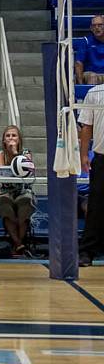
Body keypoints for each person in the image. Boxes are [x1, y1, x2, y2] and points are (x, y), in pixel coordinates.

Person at [0, 126, 36, 257]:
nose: (11, 138)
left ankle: (19, 243)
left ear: (19, 139)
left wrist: (16, 154)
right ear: (3, 140)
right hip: (4, 190)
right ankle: (18, 244)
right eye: (8, 136)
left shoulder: (26, 152)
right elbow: (1, 175)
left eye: (14, 135)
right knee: (6, 206)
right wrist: (10, 154)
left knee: (24, 206)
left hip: (23, 190)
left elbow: (26, 173)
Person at [79, 82, 104, 266]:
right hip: (102, 158)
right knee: (96, 205)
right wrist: (83, 154)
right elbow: (86, 126)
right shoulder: (95, 92)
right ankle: (87, 251)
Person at [76, 15, 104, 85]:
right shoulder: (86, 41)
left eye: (100, 25)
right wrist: (81, 85)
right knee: (92, 77)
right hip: (91, 73)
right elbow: (78, 63)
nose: (97, 28)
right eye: (94, 26)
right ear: (91, 28)